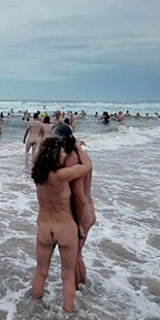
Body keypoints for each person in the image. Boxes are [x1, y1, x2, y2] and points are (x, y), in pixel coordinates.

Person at [31, 136, 92, 312]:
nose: (64, 155)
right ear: (55, 154)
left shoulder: (38, 175)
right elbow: (87, 166)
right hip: (65, 228)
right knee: (67, 275)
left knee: (41, 271)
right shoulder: (61, 176)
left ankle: (33, 308)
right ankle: (68, 315)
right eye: (62, 152)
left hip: (44, 229)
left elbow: (38, 156)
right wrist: (78, 147)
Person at [51, 123, 96, 290]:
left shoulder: (71, 160)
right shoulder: (82, 156)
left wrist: (78, 225)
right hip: (88, 210)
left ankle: (76, 294)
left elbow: (79, 198)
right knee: (77, 256)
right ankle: (82, 290)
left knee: (73, 260)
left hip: (81, 213)